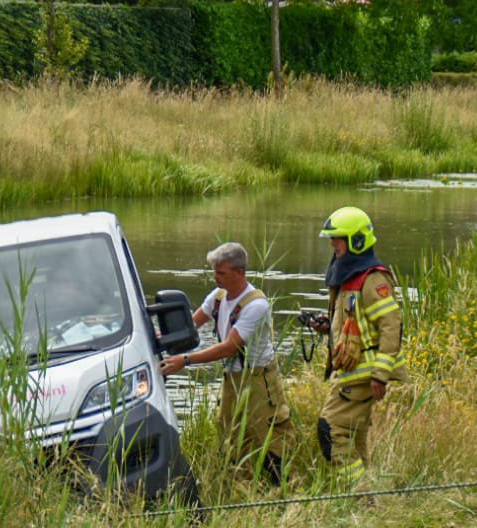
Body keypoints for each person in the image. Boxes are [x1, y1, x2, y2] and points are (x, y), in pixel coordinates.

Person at [160, 241, 294, 483]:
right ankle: (242, 487)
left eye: (221, 273)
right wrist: (163, 337)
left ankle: (285, 488)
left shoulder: (256, 305)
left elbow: (228, 348)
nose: (215, 278)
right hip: (232, 378)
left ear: (239, 272)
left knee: (270, 441)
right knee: (231, 439)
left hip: (258, 380)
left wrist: (185, 360)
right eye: (214, 272)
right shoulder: (218, 297)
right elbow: (191, 324)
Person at [308, 206, 406, 487]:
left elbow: (391, 326)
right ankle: (369, 494)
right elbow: (355, 322)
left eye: (337, 239)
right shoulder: (350, 277)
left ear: (356, 241)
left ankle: (359, 494)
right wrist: (327, 326)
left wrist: (380, 374)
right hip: (353, 372)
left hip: (364, 374)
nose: (333, 244)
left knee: (331, 432)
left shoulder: (372, 279)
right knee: (354, 435)